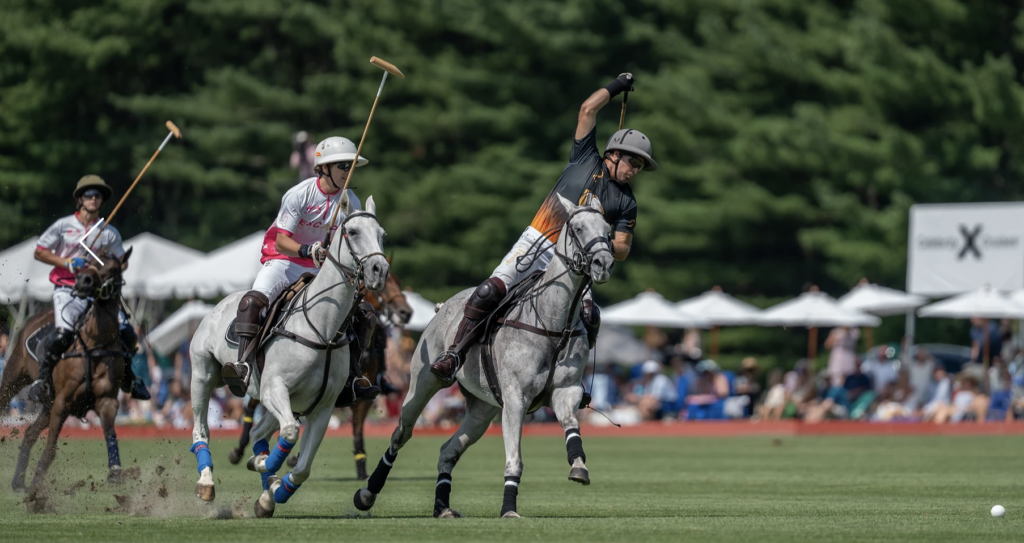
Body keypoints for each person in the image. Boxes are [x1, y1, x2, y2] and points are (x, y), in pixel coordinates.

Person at [430, 72, 656, 382]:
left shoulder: (626, 202)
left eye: (641, 167)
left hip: (577, 264)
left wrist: (602, 241)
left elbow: (623, 249)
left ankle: (567, 380)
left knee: (590, 317)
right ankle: (454, 353)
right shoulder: (585, 159)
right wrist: (617, 86)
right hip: (538, 241)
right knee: (489, 291)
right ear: (614, 154)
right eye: (633, 162)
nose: (635, 170)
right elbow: (588, 110)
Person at [220, 136, 379, 401]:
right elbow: (282, 241)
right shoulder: (300, 194)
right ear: (324, 167)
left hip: (323, 269)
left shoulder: (351, 199)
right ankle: (243, 365)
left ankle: (351, 377)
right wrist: (307, 250)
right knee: (252, 302)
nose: (348, 172)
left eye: (351, 166)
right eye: (342, 165)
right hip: (285, 262)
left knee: (364, 313)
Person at [28, 175, 149, 401]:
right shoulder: (63, 226)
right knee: (64, 334)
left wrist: (112, 264)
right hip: (68, 289)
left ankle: (130, 379)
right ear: (80, 199)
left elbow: (122, 261)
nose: (93, 199)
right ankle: (42, 380)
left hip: (97, 293)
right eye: (88, 195)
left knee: (127, 332)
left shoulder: (109, 232)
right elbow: (40, 251)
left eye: (98, 195)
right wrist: (67, 262)